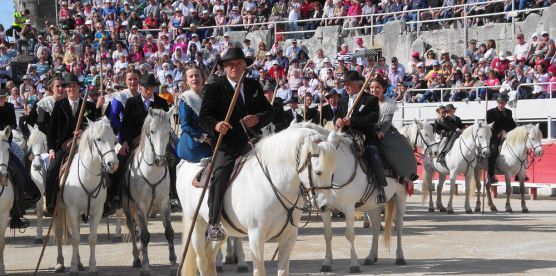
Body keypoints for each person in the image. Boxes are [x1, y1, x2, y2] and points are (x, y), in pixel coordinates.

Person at [199, 48, 272, 241]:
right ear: (224, 67)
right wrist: (216, 125)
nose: (235, 67)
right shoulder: (214, 87)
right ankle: (213, 222)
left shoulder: (253, 85)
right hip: (227, 143)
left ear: (245, 66)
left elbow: (270, 112)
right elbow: (204, 116)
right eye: (230, 64)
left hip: (252, 140)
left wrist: (257, 118)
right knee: (220, 173)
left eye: (239, 64)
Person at [45, 73, 100, 215]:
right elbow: (51, 131)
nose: (70, 89)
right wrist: (51, 149)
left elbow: (95, 128)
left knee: (103, 168)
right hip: (64, 146)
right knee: (51, 171)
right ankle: (51, 204)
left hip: (86, 146)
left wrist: (84, 131)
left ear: (79, 88)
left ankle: (105, 203)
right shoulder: (59, 105)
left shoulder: (89, 106)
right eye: (68, 86)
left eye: (73, 86)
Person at [335, 71, 387, 205]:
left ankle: (380, 187)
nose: (346, 87)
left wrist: (352, 121)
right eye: (345, 84)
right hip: (345, 135)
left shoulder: (370, 99)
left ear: (358, 85)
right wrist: (338, 120)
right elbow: (337, 116)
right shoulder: (342, 100)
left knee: (372, 152)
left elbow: (372, 118)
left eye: (349, 84)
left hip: (364, 135)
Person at [370, 76, 418, 184]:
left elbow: (387, 120)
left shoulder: (389, 103)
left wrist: (382, 132)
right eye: (372, 87)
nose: (374, 90)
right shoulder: (365, 100)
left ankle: (404, 173)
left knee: (403, 145)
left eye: (377, 87)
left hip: (384, 130)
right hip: (368, 129)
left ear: (383, 89)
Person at [177, 65, 212, 162]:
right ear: (186, 81)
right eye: (191, 76)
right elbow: (185, 126)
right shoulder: (185, 99)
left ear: (202, 78)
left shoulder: (208, 96)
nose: (194, 78)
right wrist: (205, 138)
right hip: (193, 145)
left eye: (197, 75)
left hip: (212, 140)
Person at [486, 94, 516, 183]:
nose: (500, 105)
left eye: (502, 103)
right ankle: (491, 175)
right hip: (493, 136)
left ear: (506, 103)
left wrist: (517, 132)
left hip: (506, 135)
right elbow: (489, 126)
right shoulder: (490, 112)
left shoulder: (509, 112)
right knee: (493, 151)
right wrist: (499, 132)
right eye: (499, 103)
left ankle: (518, 172)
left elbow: (511, 125)